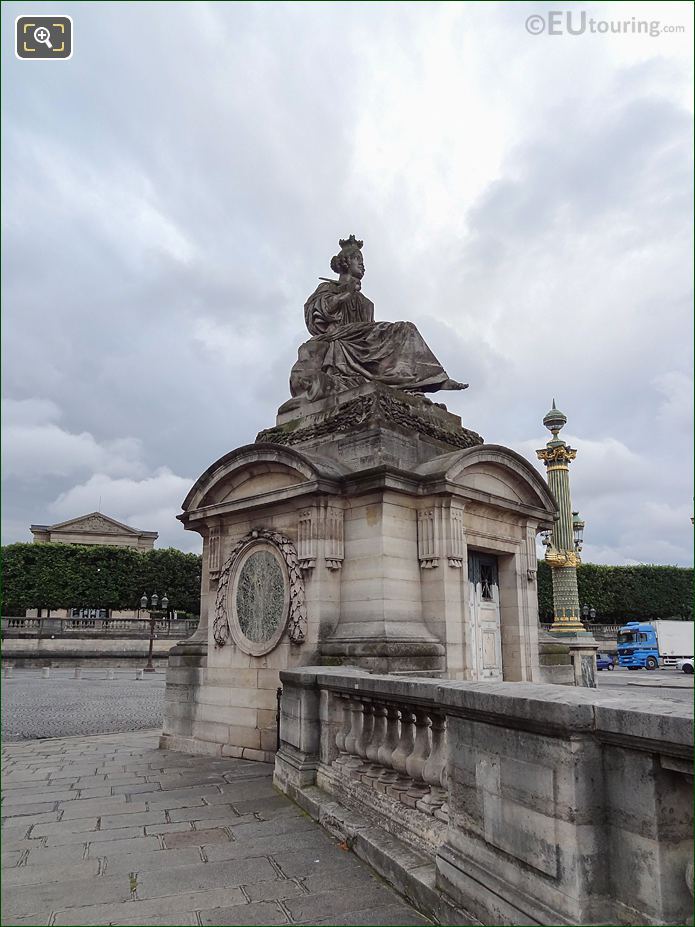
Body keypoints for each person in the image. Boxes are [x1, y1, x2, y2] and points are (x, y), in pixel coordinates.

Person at [287, 236, 467, 404]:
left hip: (361, 341)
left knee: (405, 330)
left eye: (363, 262)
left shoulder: (365, 302)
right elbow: (318, 313)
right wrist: (345, 293)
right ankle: (427, 381)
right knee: (405, 328)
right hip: (340, 338)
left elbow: (368, 330)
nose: (363, 266)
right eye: (359, 261)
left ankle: (422, 383)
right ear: (346, 262)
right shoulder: (328, 287)